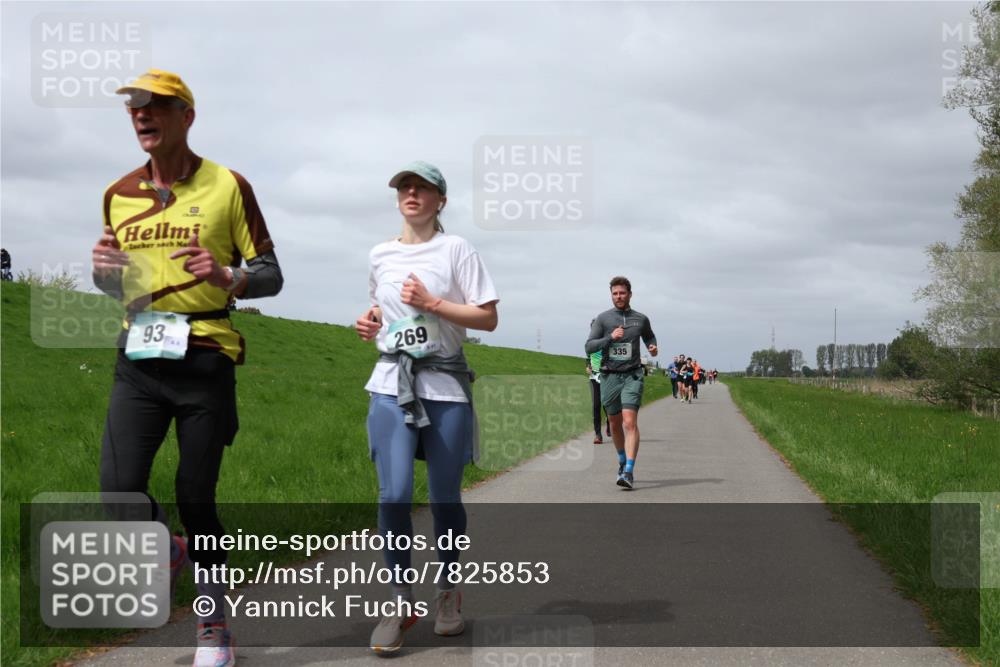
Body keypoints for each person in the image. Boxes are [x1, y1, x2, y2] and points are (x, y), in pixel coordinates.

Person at [92, 69, 283, 667]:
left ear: (186, 117)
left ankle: (213, 629)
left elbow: (272, 273)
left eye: (156, 106)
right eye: (134, 109)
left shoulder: (229, 185)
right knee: (117, 494)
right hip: (139, 358)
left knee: (196, 496)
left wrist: (230, 276)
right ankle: (171, 550)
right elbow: (118, 282)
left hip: (205, 359)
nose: (142, 115)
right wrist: (104, 277)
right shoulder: (117, 194)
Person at [354, 161, 499, 654]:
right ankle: (399, 601)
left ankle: (448, 593)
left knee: (444, 500)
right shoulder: (380, 253)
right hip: (390, 382)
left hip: (445, 387)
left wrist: (434, 303)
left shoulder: (457, 248)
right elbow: (383, 305)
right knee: (392, 495)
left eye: (423, 188)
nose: (411, 193)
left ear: (441, 200)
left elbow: (488, 318)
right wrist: (372, 320)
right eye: (404, 187)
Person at [585, 276, 658, 490]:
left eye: (622, 293)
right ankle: (621, 461)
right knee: (615, 424)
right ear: (611, 295)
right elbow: (589, 347)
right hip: (609, 376)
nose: (619, 296)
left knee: (629, 422)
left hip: (632, 375)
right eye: (615, 293)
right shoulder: (603, 319)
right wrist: (610, 338)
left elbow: (650, 337)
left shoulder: (641, 319)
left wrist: (653, 347)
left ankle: (629, 471)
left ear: (630, 294)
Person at [586, 343, 609, 444]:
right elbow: (588, 358)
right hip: (594, 378)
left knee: (607, 404)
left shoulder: (608, 342)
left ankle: (610, 424)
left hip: (607, 378)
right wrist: (588, 367)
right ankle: (598, 435)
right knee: (596, 405)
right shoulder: (591, 344)